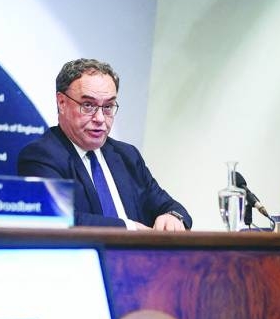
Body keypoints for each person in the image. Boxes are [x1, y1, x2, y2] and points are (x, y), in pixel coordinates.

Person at [18, 58, 191, 230]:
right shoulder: (41, 156)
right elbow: (60, 218)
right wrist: (131, 229)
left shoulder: (126, 155)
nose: (100, 118)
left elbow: (170, 206)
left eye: (108, 106)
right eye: (88, 105)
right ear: (61, 103)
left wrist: (173, 217)